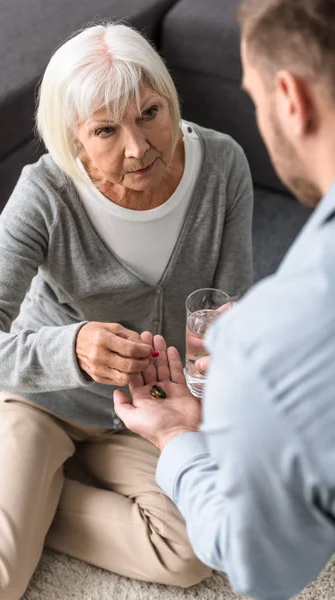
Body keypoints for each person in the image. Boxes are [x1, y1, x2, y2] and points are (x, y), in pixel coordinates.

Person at [0, 21, 253, 600]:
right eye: (106, 129)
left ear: (169, 99)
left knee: (190, 551)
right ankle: (12, 490)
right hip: (44, 400)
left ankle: (10, 484)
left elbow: (227, 312)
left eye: (150, 112)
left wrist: (211, 406)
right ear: (72, 138)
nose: (139, 146)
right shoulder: (44, 194)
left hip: (146, 412)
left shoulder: (223, 166)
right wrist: (72, 349)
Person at [113, 1, 335, 599]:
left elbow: (262, 566)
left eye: (254, 98)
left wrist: (177, 438)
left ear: (290, 99)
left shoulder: (271, 350)